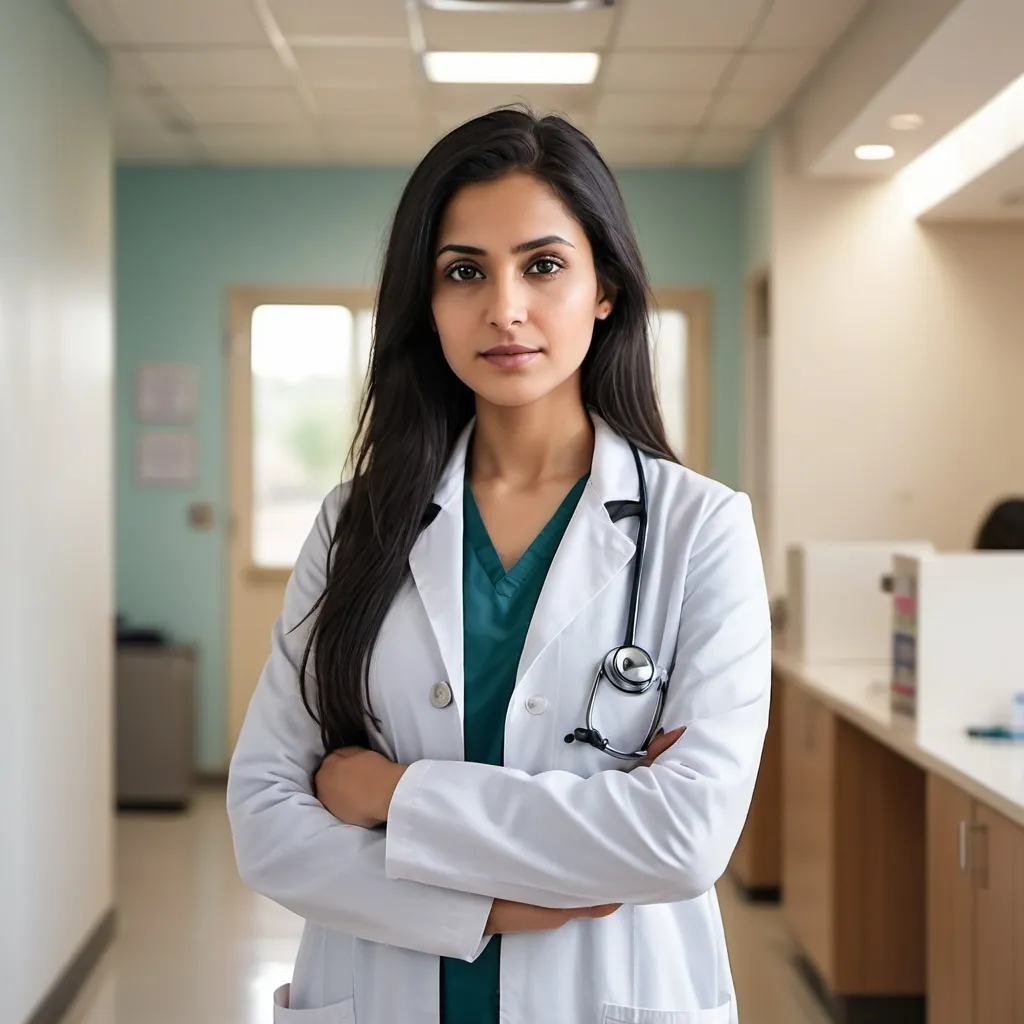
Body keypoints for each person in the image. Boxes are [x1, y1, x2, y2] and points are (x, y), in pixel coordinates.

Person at [227, 107, 772, 1024]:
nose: (504, 307)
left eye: (544, 264)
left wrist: (389, 794)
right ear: (426, 300)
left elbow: (683, 840)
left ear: (606, 289)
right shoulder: (354, 523)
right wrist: (488, 909)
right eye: (464, 271)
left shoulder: (700, 529)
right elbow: (268, 824)